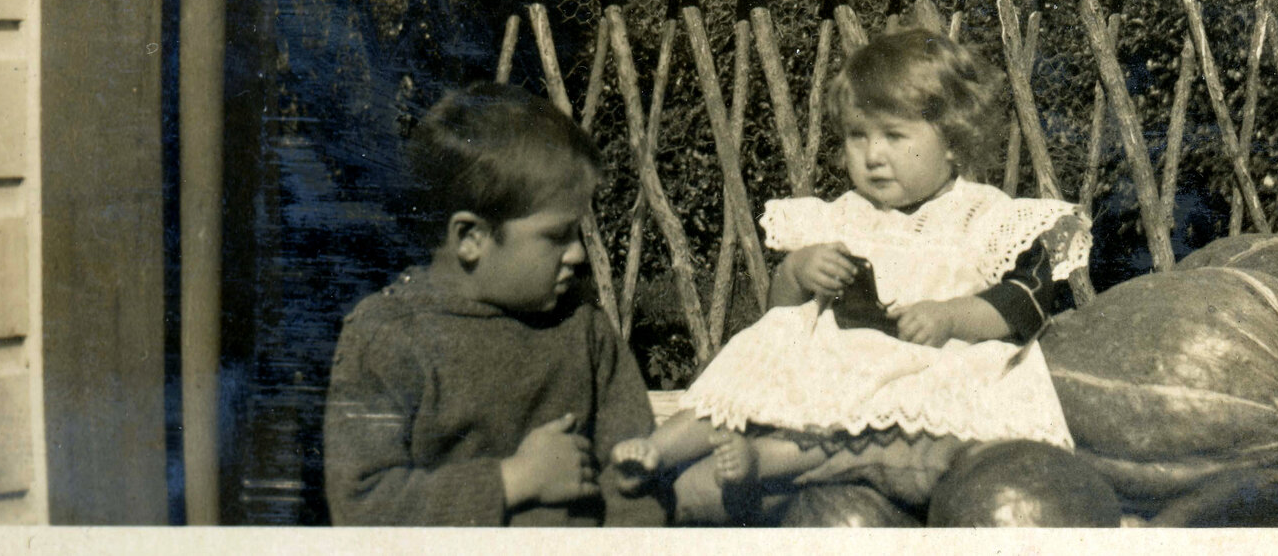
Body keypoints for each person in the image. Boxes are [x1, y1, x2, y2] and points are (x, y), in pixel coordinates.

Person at [611, 27, 1090, 520]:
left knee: (899, 436)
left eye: (894, 135)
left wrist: (952, 316)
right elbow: (780, 309)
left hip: (921, 371)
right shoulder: (840, 215)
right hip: (834, 365)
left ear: (952, 140)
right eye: (858, 135)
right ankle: (664, 446)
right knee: (764, 348)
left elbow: (1026, 300)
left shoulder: (985, 217)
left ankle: (768, 461)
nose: (872, 155)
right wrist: (799, 271)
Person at [324, 83, 665, 526]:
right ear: (472, 238)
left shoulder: (584, 329)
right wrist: (513, 479)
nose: (578, 253)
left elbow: (635, 479)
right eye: (557, 236)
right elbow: (363, 506)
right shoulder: (388, 338)